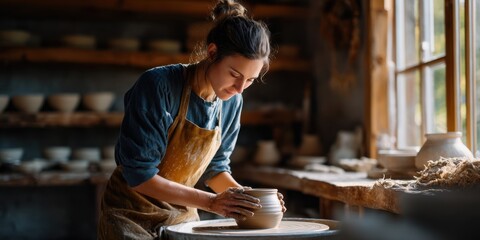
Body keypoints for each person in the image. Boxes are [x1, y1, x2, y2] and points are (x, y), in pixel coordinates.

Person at [97, 0, 286, 239]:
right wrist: (212, 203)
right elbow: (140, 175)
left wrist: (248, 200)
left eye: (250, 80)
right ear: (212, 52)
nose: (239, 88)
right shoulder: (158, 86)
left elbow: (215, 170)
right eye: (234, 74)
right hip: (130, 215)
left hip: (180, 219)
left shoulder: (231, 102)